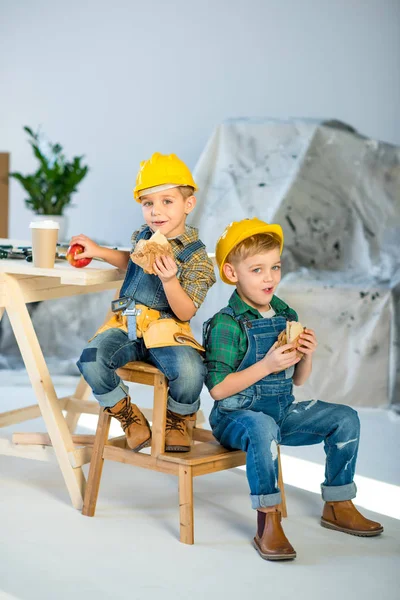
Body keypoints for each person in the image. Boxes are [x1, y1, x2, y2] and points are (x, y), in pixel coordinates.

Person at [203, 217, 383, 561]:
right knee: (261, 426)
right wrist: (267, 365)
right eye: (256, 270)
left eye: (275, 267)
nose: (269, 277)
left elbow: (298, 381)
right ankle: (268, 520)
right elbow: (218, 391)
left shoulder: (286, 314)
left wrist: (306, 356)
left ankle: (338, 503)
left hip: (281, 410)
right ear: (231, 273)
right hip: (236, 417)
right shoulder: (227, 323)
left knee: (345, 418)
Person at [72, 152, 215, 452]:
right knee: (89, 360)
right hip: (128, 324)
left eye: (167, 201)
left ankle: (177, 418)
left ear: (188, 204)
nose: (156, 211)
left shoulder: (197, 257)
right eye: (148, 203)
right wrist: (99, 251)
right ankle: (126, 414)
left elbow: (186, 310)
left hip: (168, 332)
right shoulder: (143, 236)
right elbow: (132, 262)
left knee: (192, 373)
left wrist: (170, 280)